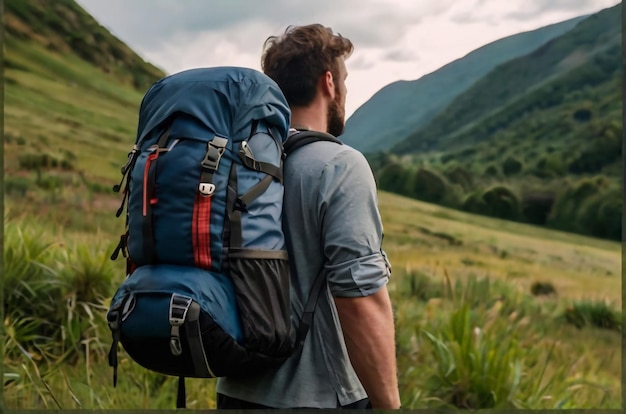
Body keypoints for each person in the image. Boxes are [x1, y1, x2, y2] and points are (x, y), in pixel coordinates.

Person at [216, 24, 401, 410]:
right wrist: (388, 404)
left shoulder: (235, 162)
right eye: (345, 80)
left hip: (235, 390)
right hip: (319, 397)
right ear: (329, 82)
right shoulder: (339, 165)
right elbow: (359, 298)